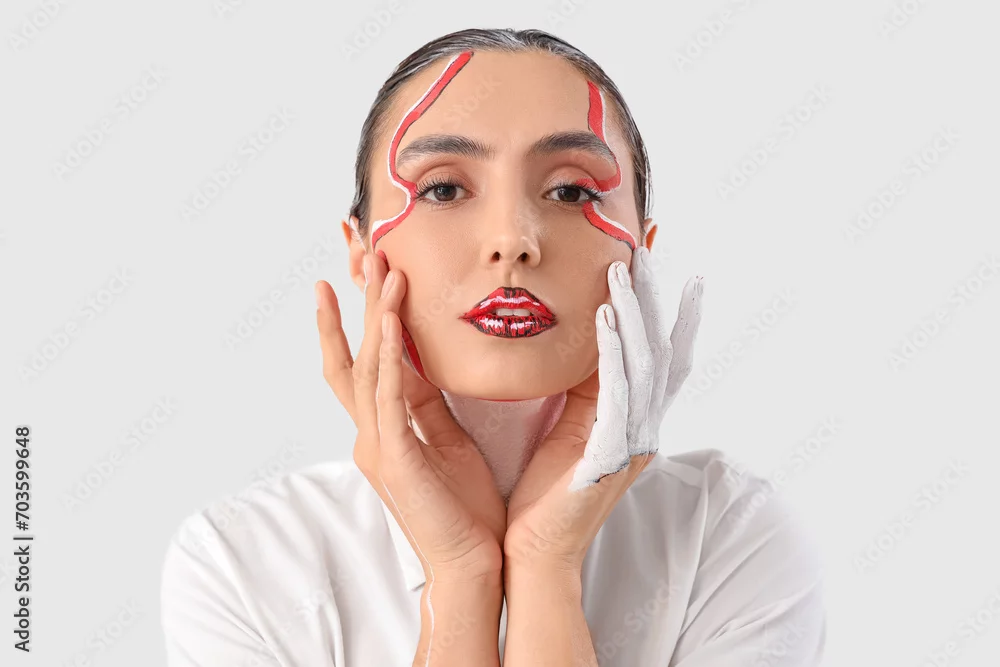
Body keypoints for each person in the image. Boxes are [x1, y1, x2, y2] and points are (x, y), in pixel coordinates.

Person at [160, 28, 825, 666]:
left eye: (571, 190)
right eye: (444, 189)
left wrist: (547, 565)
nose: (512, 239)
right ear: (360, 254)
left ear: (643, 255)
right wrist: (459, 575)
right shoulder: (242, 562)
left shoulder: (730, 536)